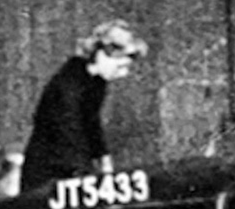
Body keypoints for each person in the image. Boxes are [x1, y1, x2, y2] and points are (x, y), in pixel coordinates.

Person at [21, 19, 148, 191]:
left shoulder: (96, 81)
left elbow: (91, 122)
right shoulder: (68, 85)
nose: (123, 74)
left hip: (71, 166)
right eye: (120, 66)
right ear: (104, 53)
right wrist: (89, 173)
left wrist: (103, 157)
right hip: (49, 173)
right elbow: (70, 133)